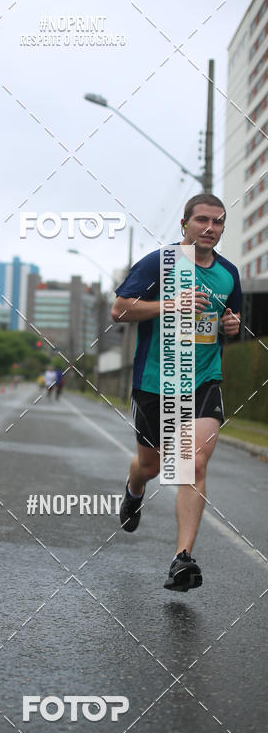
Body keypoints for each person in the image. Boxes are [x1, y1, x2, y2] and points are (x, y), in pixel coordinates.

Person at [111, 193, 241, 592]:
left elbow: (228, 321)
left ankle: (181, 559)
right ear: (184, 224)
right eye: (202, 220)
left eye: (217, 222)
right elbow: (119, 309)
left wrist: (230, 328)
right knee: (149, 466)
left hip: (204, 380)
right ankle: (134, 490)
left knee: (193, 463)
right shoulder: (159, 263)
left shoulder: (229, 274)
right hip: (155, 383)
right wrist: (172, 304)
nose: (210, 228)